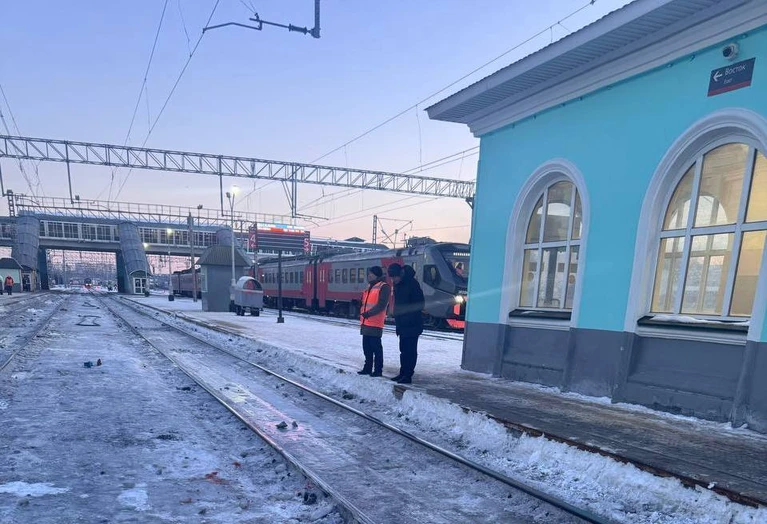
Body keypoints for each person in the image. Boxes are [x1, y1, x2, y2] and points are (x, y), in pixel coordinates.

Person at [387, 263, 424, 384]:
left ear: (400, 274)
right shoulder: (398, 285)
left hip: (412, 324)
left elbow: (420, 303)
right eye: (391, 278)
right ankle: (402, 373)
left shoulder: (412, 284)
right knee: (403, 351)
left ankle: (408, 375)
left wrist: (407, 316)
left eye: (394, 277)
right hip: (402, 324)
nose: (393, 280)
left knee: (410, 351)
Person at [358, 266, 390, 377]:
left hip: (375, 322)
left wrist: (368, 313)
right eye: (369, 274)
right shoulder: (369, 286)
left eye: (371, 274)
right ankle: (367, 368)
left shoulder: (384, 287)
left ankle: (378, 370)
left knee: (376, 348)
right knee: (366, 348)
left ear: (377, 275)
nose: (369, 275)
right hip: (365, 322)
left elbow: (381, 305)